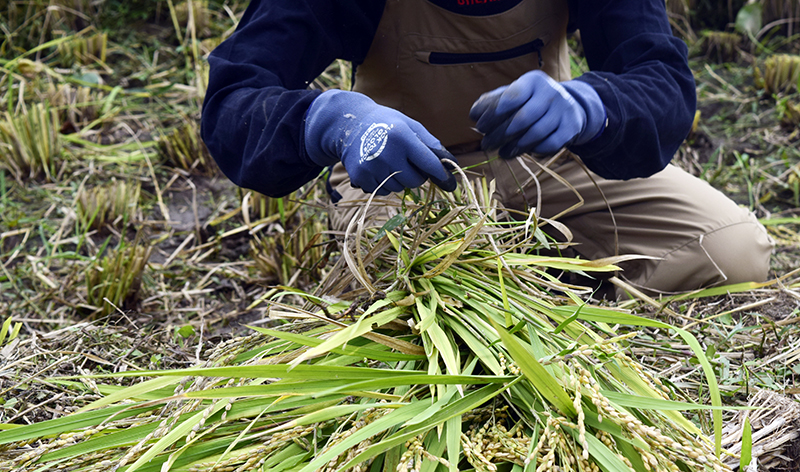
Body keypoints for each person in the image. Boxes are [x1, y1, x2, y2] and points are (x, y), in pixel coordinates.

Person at [201, 0, 774, 297]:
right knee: (398, 317)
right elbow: (233, 101)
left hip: (555, 162)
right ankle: (536, 295)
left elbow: (661, 79)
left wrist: (587, 106)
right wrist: (335, 120)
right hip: (406, 185)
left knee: (731, 249)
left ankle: (566, 321)